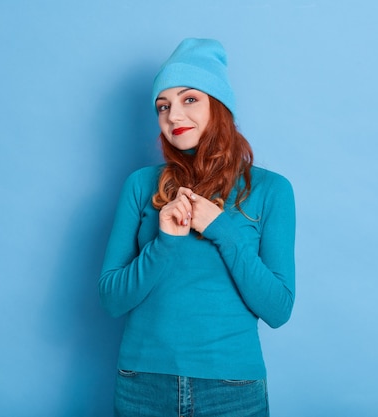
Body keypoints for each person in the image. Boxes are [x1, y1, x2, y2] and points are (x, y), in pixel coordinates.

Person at [99, 38, 296, 417]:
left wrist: (223, 229)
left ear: (218, 106)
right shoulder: (141, 185)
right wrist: (164, 243)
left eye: (189, 99)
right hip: (143, 384)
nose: (173, 116)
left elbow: (278, 308)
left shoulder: (272, 190)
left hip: (232, 389)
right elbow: (111, 299)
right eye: (163, 106)